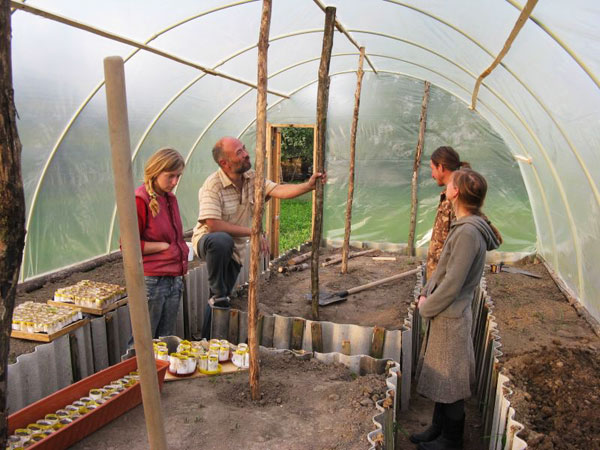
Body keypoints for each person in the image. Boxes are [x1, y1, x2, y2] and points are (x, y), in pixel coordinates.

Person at [191, 137, 325, 330]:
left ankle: (207, 337)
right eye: (239, 152)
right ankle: (218, 293)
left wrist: (308, 185)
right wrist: (253, 232)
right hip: (209, 242)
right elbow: (213, 224)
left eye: (244, 148)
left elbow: (278, 189)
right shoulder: (213, 186)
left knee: (219, 301)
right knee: (221, 243)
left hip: (235, 249)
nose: (246, 153)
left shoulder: (252, 178)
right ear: (224, 163)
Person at [411, 169, 502, 450]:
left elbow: (452, 283)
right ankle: (438, 428)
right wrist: (427, 290)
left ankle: (451, 440)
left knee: (451, 380)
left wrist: (427, 307)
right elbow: (443, 270)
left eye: (450, 183)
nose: (445, 184)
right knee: (442, 376)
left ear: (456, 192)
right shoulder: (464, 225)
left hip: (451, 314)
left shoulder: (468, 233)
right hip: (446, 314)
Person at [133, 148, 188, 340]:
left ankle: (160, 371)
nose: (174, 182)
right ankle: (137, 370)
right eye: (170, 176)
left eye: (178, 176)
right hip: (152, 280)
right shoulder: (140, 199)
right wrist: (164, 247)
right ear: (156, 172)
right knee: (144, 340)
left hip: (173, 278)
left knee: (165, 339)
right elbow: (129, 246)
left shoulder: (169, 198)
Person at [426, 147, 471, 280]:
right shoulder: (449, 196)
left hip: (445, 279)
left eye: (432, 168)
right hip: (439, 277)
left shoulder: (457, 199)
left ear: (441, 167)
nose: (432, 175)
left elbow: (460, 244)